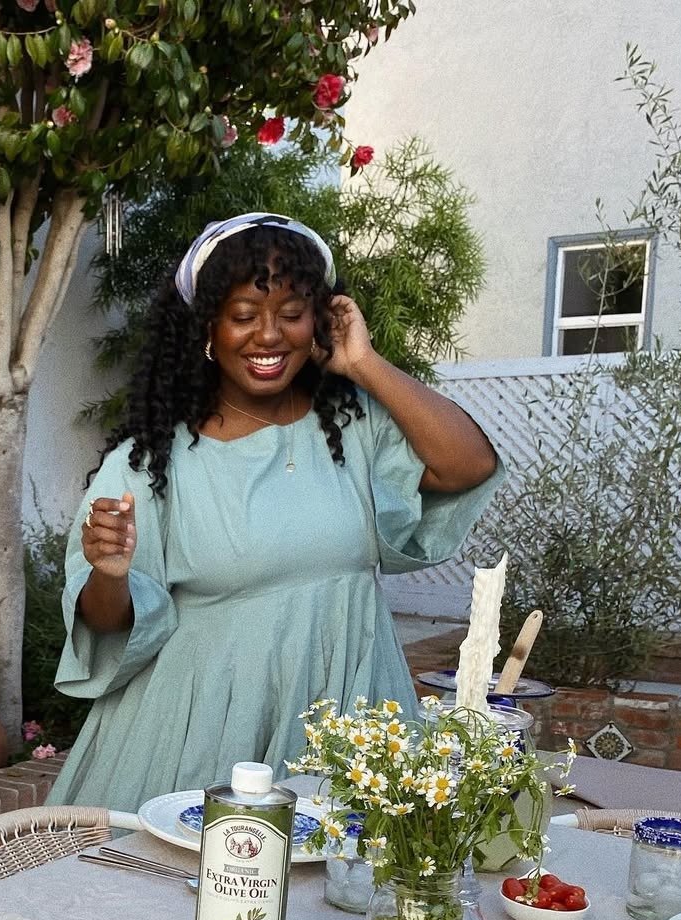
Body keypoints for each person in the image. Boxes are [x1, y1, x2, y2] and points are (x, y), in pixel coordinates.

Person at [47, 212, 502, 812]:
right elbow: (107, 624)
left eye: (291, 314)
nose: (269, 335)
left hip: (351, 706)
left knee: (353, 867)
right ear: (207, 327)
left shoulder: (352, 425)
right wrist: (109, 574)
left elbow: (470, 466)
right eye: (243, 316)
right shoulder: (151, 461)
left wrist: (363, 363)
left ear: (319, 321)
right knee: (208, 868)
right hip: (207, 728)